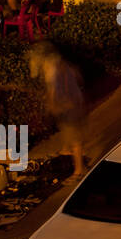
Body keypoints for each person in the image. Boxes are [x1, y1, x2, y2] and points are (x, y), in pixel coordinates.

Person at [31, 42, 87, 179]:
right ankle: (67, 150)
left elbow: (53, 90)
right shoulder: (64, 64)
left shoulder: (51, 69)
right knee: (70, 130)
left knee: (74, 136)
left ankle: (79, 170)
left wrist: (52, 104)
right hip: (75, 102)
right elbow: (78, 78)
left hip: (68, 105)